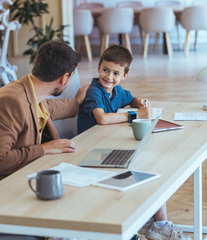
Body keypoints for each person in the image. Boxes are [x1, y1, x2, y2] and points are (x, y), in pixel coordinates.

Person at [77, 45, 191, 240]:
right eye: (105, 70)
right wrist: (135, 114)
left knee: (152, 165)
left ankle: (159, 223)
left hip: (108, 145)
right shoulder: (94, 91)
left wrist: (141, 103)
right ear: (98, 67)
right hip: (91, 152)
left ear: (124, 76)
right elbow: (102, 119)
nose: (109, 77)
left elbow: (132, 98)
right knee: (143, 166)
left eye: (115, 73)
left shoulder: (117, 90)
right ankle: (151, 223)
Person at [0, 41, 89, 195]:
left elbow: (50, 108)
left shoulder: (30, 91)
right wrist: (45, 148)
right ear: (64, 78)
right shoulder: (9, 102)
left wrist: (78, 102)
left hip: (10, 180)